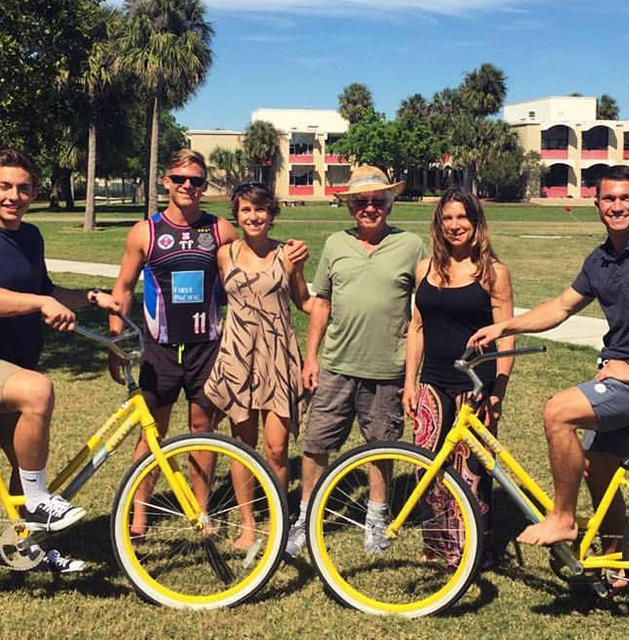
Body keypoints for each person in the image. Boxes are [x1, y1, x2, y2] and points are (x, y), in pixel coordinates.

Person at [471, 165, 629, 561]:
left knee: (557, 412)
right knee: (599, 472)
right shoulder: (600, 260)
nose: (617, 206)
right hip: (620, 380)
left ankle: (562, 518)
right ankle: (616, 563)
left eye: (625, 198)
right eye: (608, 199)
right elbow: (561, 307)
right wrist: (504, 325)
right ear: (596, 204)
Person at [0, 148, 121, 572]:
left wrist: (91, 297)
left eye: (24, 188)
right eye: (5, 187)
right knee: (39, 390)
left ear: (33, 192)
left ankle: (25, 549)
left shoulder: (30, 236)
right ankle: (38, 505)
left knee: (24, 463)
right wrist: (37, 304)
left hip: (9, 365)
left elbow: (46, 291)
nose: (14, 195)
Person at [108, 150, 306, 536]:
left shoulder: (220, 231)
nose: (187, 186)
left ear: (203, 186)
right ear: (166, 181)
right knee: (153, 432)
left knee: (203, 431)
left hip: (208, 347)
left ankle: (202, 512)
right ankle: (139, 515)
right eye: (180, 179)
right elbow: (124, 288)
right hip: (159, 347)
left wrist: (292, 250)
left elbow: (258, 251)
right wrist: (116, 340)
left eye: (196, 181)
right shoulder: (145, 232)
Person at [286, 165, 427, 557]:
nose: (369, 208)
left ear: (389, 203)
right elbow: (322, 304)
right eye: (361, 202)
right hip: (335, 364)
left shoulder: (412, 246)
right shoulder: (335, 244)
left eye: (377, 201)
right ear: (350, 207)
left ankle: (376, 520)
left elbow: (421, 313)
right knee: (316, 445)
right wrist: (311, 357)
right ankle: (305, 517)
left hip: (387, 369)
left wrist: (412, 376)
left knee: (380, 448)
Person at [403, 188, 514, 568]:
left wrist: (498, 392)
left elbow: (506, 334)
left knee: (472, 469)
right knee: (427, 465)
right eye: (447, 218)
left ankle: (474, 548)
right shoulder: (426, 269)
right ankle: (437, 543)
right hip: (432, 381)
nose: (454, 226)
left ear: (476, 222)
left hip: (475, 383)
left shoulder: (493, 273)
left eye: (462, 218)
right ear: (439, 224)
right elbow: (416, 327)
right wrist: (409, 383)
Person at [203, 183, 313, 549]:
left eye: (261, 210)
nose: (254, 217)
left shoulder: (288, 255)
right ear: (236, 214)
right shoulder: (224, 255)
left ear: (272, 214)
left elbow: (303, 301)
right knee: (243, 445)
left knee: (277, 448)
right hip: (237, 357)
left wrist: (335, 309)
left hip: (277, 356)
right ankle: (248, 523)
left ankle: (278, 519)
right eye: (246, 210)